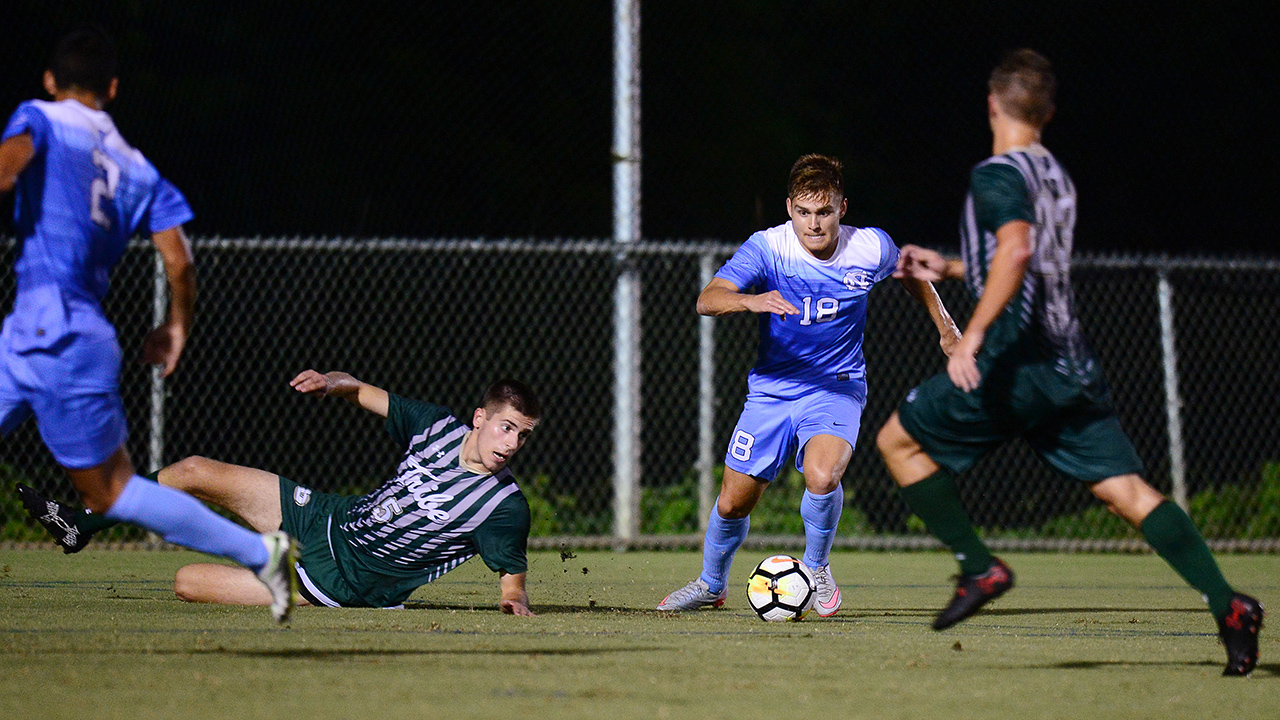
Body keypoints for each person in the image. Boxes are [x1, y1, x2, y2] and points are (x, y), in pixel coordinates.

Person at [876, 49, 1264, 676]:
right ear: (1048, 112)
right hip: (1071, 363)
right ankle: (1229, 606)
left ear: (992, 103)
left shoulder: (995, 173)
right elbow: (1020, 259)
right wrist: (947, 267)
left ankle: (980, 568)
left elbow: (1017, 253)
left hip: (1015, 359)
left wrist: (971, 335)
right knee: (1128, 493)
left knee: (898, 442)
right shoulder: (1054, 174)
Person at [0, 27, 298, 622]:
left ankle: (257, 551)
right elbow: (179, 259)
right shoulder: (138, 168)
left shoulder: (39, 117)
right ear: (112, 87)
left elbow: (6, 172)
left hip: (43, 332)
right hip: (81, 337)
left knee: (107, 492)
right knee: (115, 490)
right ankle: (260, 552)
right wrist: (177, 326)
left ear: (51, 81)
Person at [658, 154, 961, 615]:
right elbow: (707, 299)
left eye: (824, 212)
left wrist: (947, 329)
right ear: (789, 209)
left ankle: (816, 568)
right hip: (772, 391)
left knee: (822, 475)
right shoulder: (768, 248)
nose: (813, 224)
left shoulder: (871, 247)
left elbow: (911, 275)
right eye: (803, 212)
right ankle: (710, 585)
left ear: (843, 208)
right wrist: (750, 300)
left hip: (836, 386)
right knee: (733, 503)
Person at [21, 370, 542, 615]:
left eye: (523, 434)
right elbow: (367, 393)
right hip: (325, 518)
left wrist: (511, 601)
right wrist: (337, 382)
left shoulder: (503, 506)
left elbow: (510, 579)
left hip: (336, 583)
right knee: (195, 468)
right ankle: (80, 524)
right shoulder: (438, 426)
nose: (513, 443)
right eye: (507, 427)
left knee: (185, 581)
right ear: (480, 418)